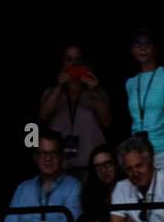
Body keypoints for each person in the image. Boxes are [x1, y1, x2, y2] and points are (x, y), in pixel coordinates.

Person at [39, 44, 113, 178]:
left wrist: (93, 90)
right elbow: (43, 115)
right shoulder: (52, 92)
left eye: (78, 60)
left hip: (91, 168)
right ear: (62, 64)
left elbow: (107, 122)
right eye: (69, 59)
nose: (74, 64)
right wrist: (59, 86)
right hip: (59, 169)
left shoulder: (97, 92)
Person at [125, 29, 164, 177]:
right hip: (137, 152)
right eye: (138, 44)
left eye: (147, 44)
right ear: (132, 50)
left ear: (155, 49)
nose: (142, 48)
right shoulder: (130, 83)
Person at [81, 145, 121, 221]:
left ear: (116, 164)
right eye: (98, 167)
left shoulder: (128, 188)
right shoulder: (90, 194)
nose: (104, 170)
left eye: (108, 164)